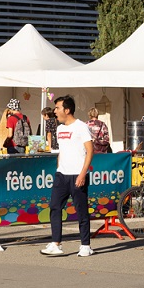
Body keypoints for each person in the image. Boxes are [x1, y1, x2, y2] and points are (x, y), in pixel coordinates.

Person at [41, 95, 94, 258]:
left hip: (78, 175)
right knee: (55, 207)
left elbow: (90, 151)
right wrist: (58, 169)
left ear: (67, 110)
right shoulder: (59, 128)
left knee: (81, 211)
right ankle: (56, 243)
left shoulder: (81, 127)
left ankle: (85, 245)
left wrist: (83, 173)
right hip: (61, 175)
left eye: (57, 108)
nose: (55, 111)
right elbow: (62, 151)